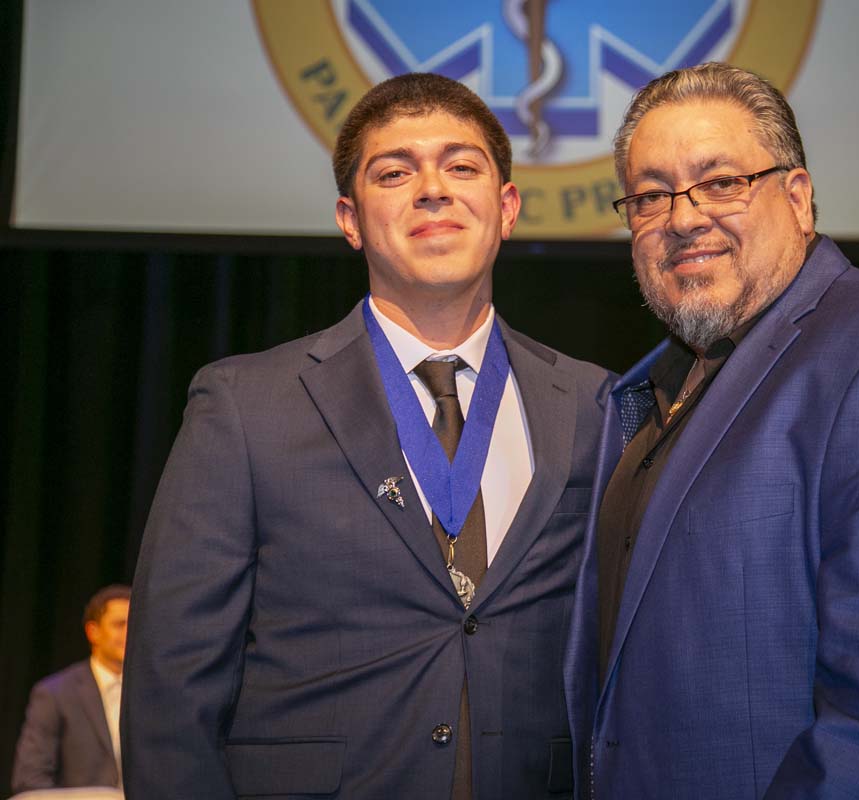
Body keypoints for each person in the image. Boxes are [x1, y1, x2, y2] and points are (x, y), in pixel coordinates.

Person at [563, 62, 859, 798]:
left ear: (798, 198)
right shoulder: (635, 399)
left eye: (721, 182)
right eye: (651, 195)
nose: (684, 217)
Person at [122, 74, 611, 799]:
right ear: (350, 220)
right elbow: (172, 689)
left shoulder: (595, 402)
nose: (433, 189)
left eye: (462, 165)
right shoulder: (245, 405)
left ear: (505, 207)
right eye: (394, 172)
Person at [12, 585, 129, 793]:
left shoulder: (155, 692)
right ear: (93, 632)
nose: (129, 633)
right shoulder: (55, 693)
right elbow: (30, 778)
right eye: (120, 625)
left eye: (134, 625)